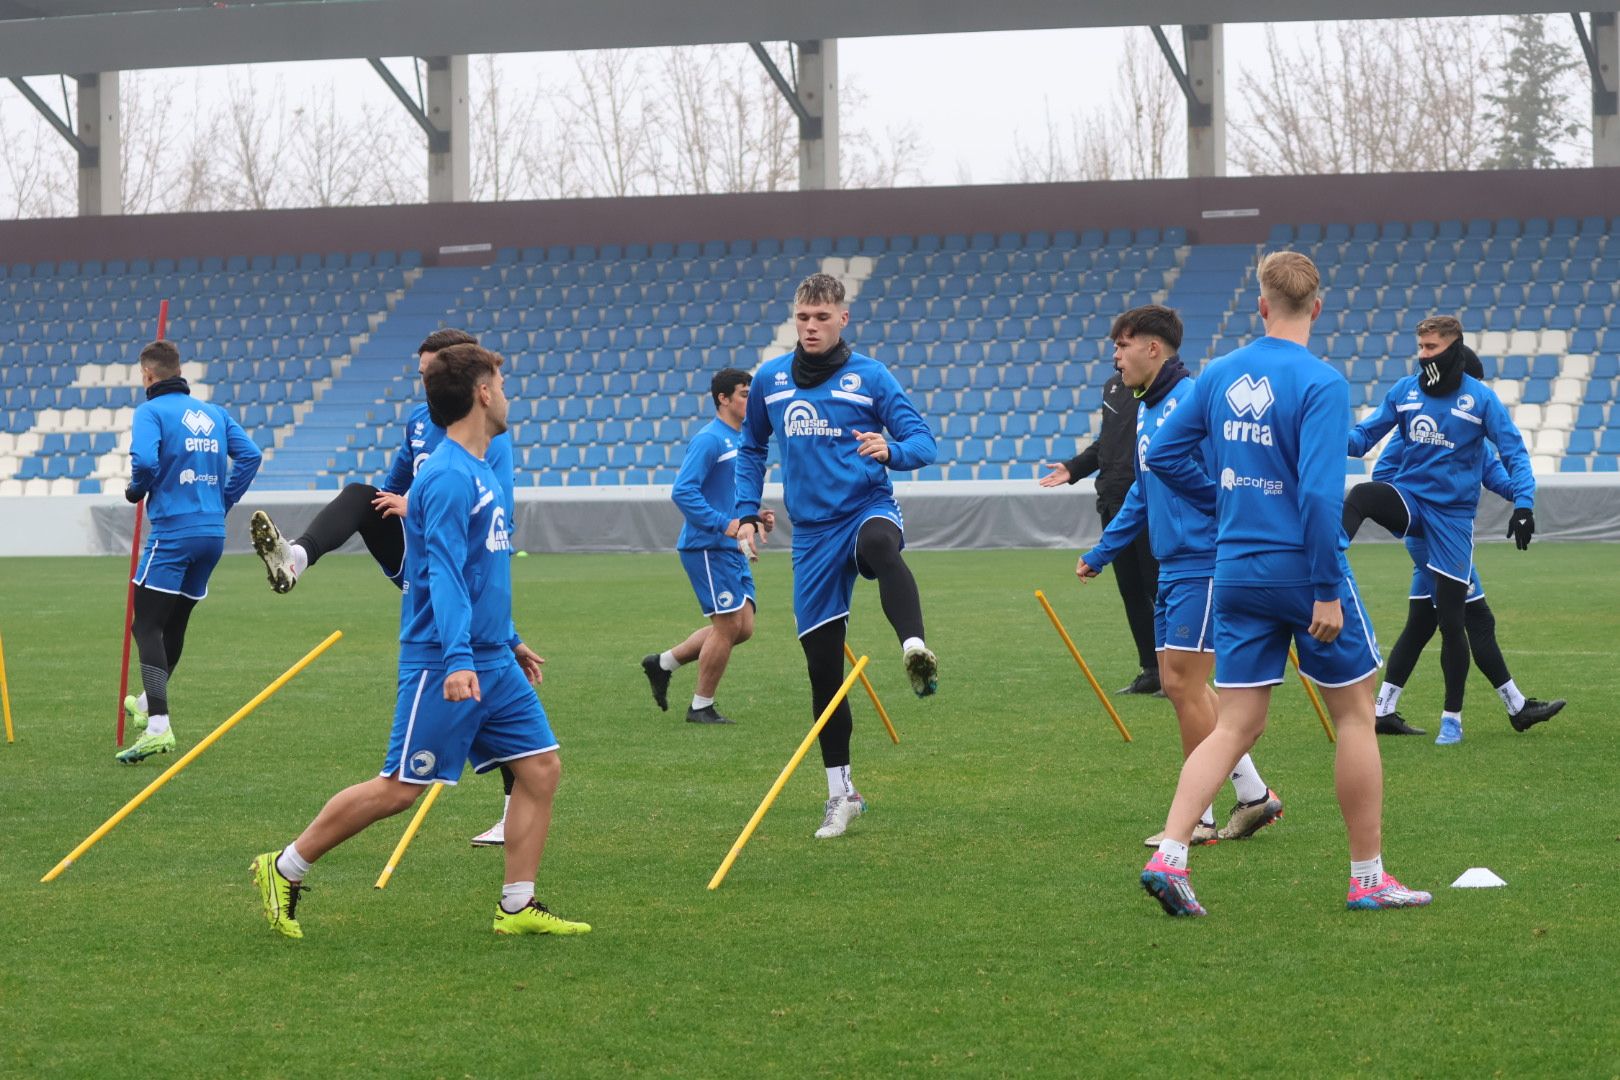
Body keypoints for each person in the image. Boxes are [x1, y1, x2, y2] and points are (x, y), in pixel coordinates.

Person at [251, 343, 588, 940]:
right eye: (502, 382)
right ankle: (283, 867)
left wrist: (507, 639)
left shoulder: (479, 468)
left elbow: (483, 573)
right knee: (399, 790)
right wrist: (460, 660)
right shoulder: (448, 476)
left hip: (489, 656)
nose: (508, 393)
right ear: (482, 393)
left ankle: (516, 906)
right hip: (444, 660)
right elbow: (447, 577)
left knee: (540, 768)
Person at [1140, 251, 1430, 916]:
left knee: (1234, 725)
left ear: (1262, 306)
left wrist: (1223, 502)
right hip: (1303, 571)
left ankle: (1172, 853)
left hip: (1234, 570)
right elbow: (1321, 497)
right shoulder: (1322, 383)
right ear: (1317, 308)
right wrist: (1327, 588)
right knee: (1356, 714)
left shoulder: (1218, 373)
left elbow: (1162, 456)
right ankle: (1368, 879)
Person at [250, 328, 529, 846]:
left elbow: (497, 512)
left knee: (502, 689)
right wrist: (406, 502)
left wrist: (417, 503)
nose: (424, 384)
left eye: (431, 375)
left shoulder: (492, 438)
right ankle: (296, 558)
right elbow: (391, 486)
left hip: (465, 558)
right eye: (421, 376)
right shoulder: (421, 423)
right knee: (360, 494)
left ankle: (515, 810)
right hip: (425, 554)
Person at [733, 272, 938, 839]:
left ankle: (916, 648)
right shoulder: (771, 380)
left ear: (843, 318)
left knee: (877, 545)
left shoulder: (871, 376)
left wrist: (890, 449)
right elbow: (751, 448)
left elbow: (924, 442)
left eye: (822, 317)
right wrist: (748, 510)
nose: (811, 327)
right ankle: (840, 793)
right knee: (823, 670)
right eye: (803, 317)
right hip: (813, 535)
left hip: (866, 507)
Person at [1074, 306, 1283, 846]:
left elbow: (1225, 480)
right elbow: (1144, 492)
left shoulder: (1194, 400)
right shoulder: (1149, 408)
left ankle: (1200, 817)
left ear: (1153, 349)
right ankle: (1254, 795)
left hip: (1206, 561)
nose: (1115, 356)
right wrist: (1102, 552)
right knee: (1180, 684)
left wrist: (1217, 510)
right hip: (1173, 564)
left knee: (1183, 684)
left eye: (1123, 345)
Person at [1344, 315, 1537, 745]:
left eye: (1431, 348)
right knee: (1471, 617)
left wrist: (1524, 503)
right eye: (1422, 347)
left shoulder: (1480, 407)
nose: (1423, 355)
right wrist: (1322, 434)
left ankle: (1429, 715)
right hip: (1416, 517)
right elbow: (1364, 443)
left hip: (1451, 527)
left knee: (1436, 621)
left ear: (1454, 350)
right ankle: (1327, 558)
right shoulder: (1406, 395)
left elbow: (1509, 464)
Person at [1366, 378, 1565, 737]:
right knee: (1477, 619)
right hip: (1433, 540)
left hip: (1442, 538)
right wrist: (1418, 511)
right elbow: (1381, 476)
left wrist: (1523, 499)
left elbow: (1498, 478)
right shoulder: (1414, 433)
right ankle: (1511, 707)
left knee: (1421, 624)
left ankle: (1382, 709)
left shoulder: (1473, 442)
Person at [117, 340, 262, 764]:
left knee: (145, 627)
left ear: (147, 375)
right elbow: (250, 456)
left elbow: (143, 461)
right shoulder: (213, 413)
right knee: (174, 623)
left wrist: (136, 490)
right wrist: (224, 500)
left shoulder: (150, 412)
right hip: (211, 534)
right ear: (178, 371)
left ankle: (159, 725)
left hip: (173, 533)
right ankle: (147, 703)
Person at [641, 368, 775, 724]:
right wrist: (724, 524)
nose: (751, 400)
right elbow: (683, 491)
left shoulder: (742, 440)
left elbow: (728, 494)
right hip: (707, 546)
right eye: (745, 393)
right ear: (723, 398)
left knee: (742, 627)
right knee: (729, 625)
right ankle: (701, 706)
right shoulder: (710, 439)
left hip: (729, 546)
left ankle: (663, 663)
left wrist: (752, 517)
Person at [1041, 371, 1161, 695]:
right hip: (1112, 501)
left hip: (1148, 503)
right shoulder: (1113, 385)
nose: (1117, 353)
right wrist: (1074, 467)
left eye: (1123, 344)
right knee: (1131, 591)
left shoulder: (1166, 388)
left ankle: (1176, 671)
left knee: (1159, 589)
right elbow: (1107, 444)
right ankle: (1151, 670)